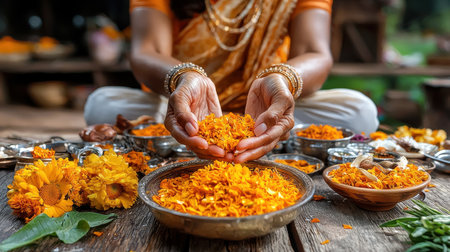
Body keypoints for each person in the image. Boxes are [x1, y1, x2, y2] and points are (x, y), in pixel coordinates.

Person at [84, 0, 379, 163]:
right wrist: (185, 77)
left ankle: (270, 126)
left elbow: (315, 53)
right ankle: (273, 135)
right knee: (102, 105)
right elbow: (146, 51)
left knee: (359, 111)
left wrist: (281, 79)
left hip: (266, 104)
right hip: (185, 103)